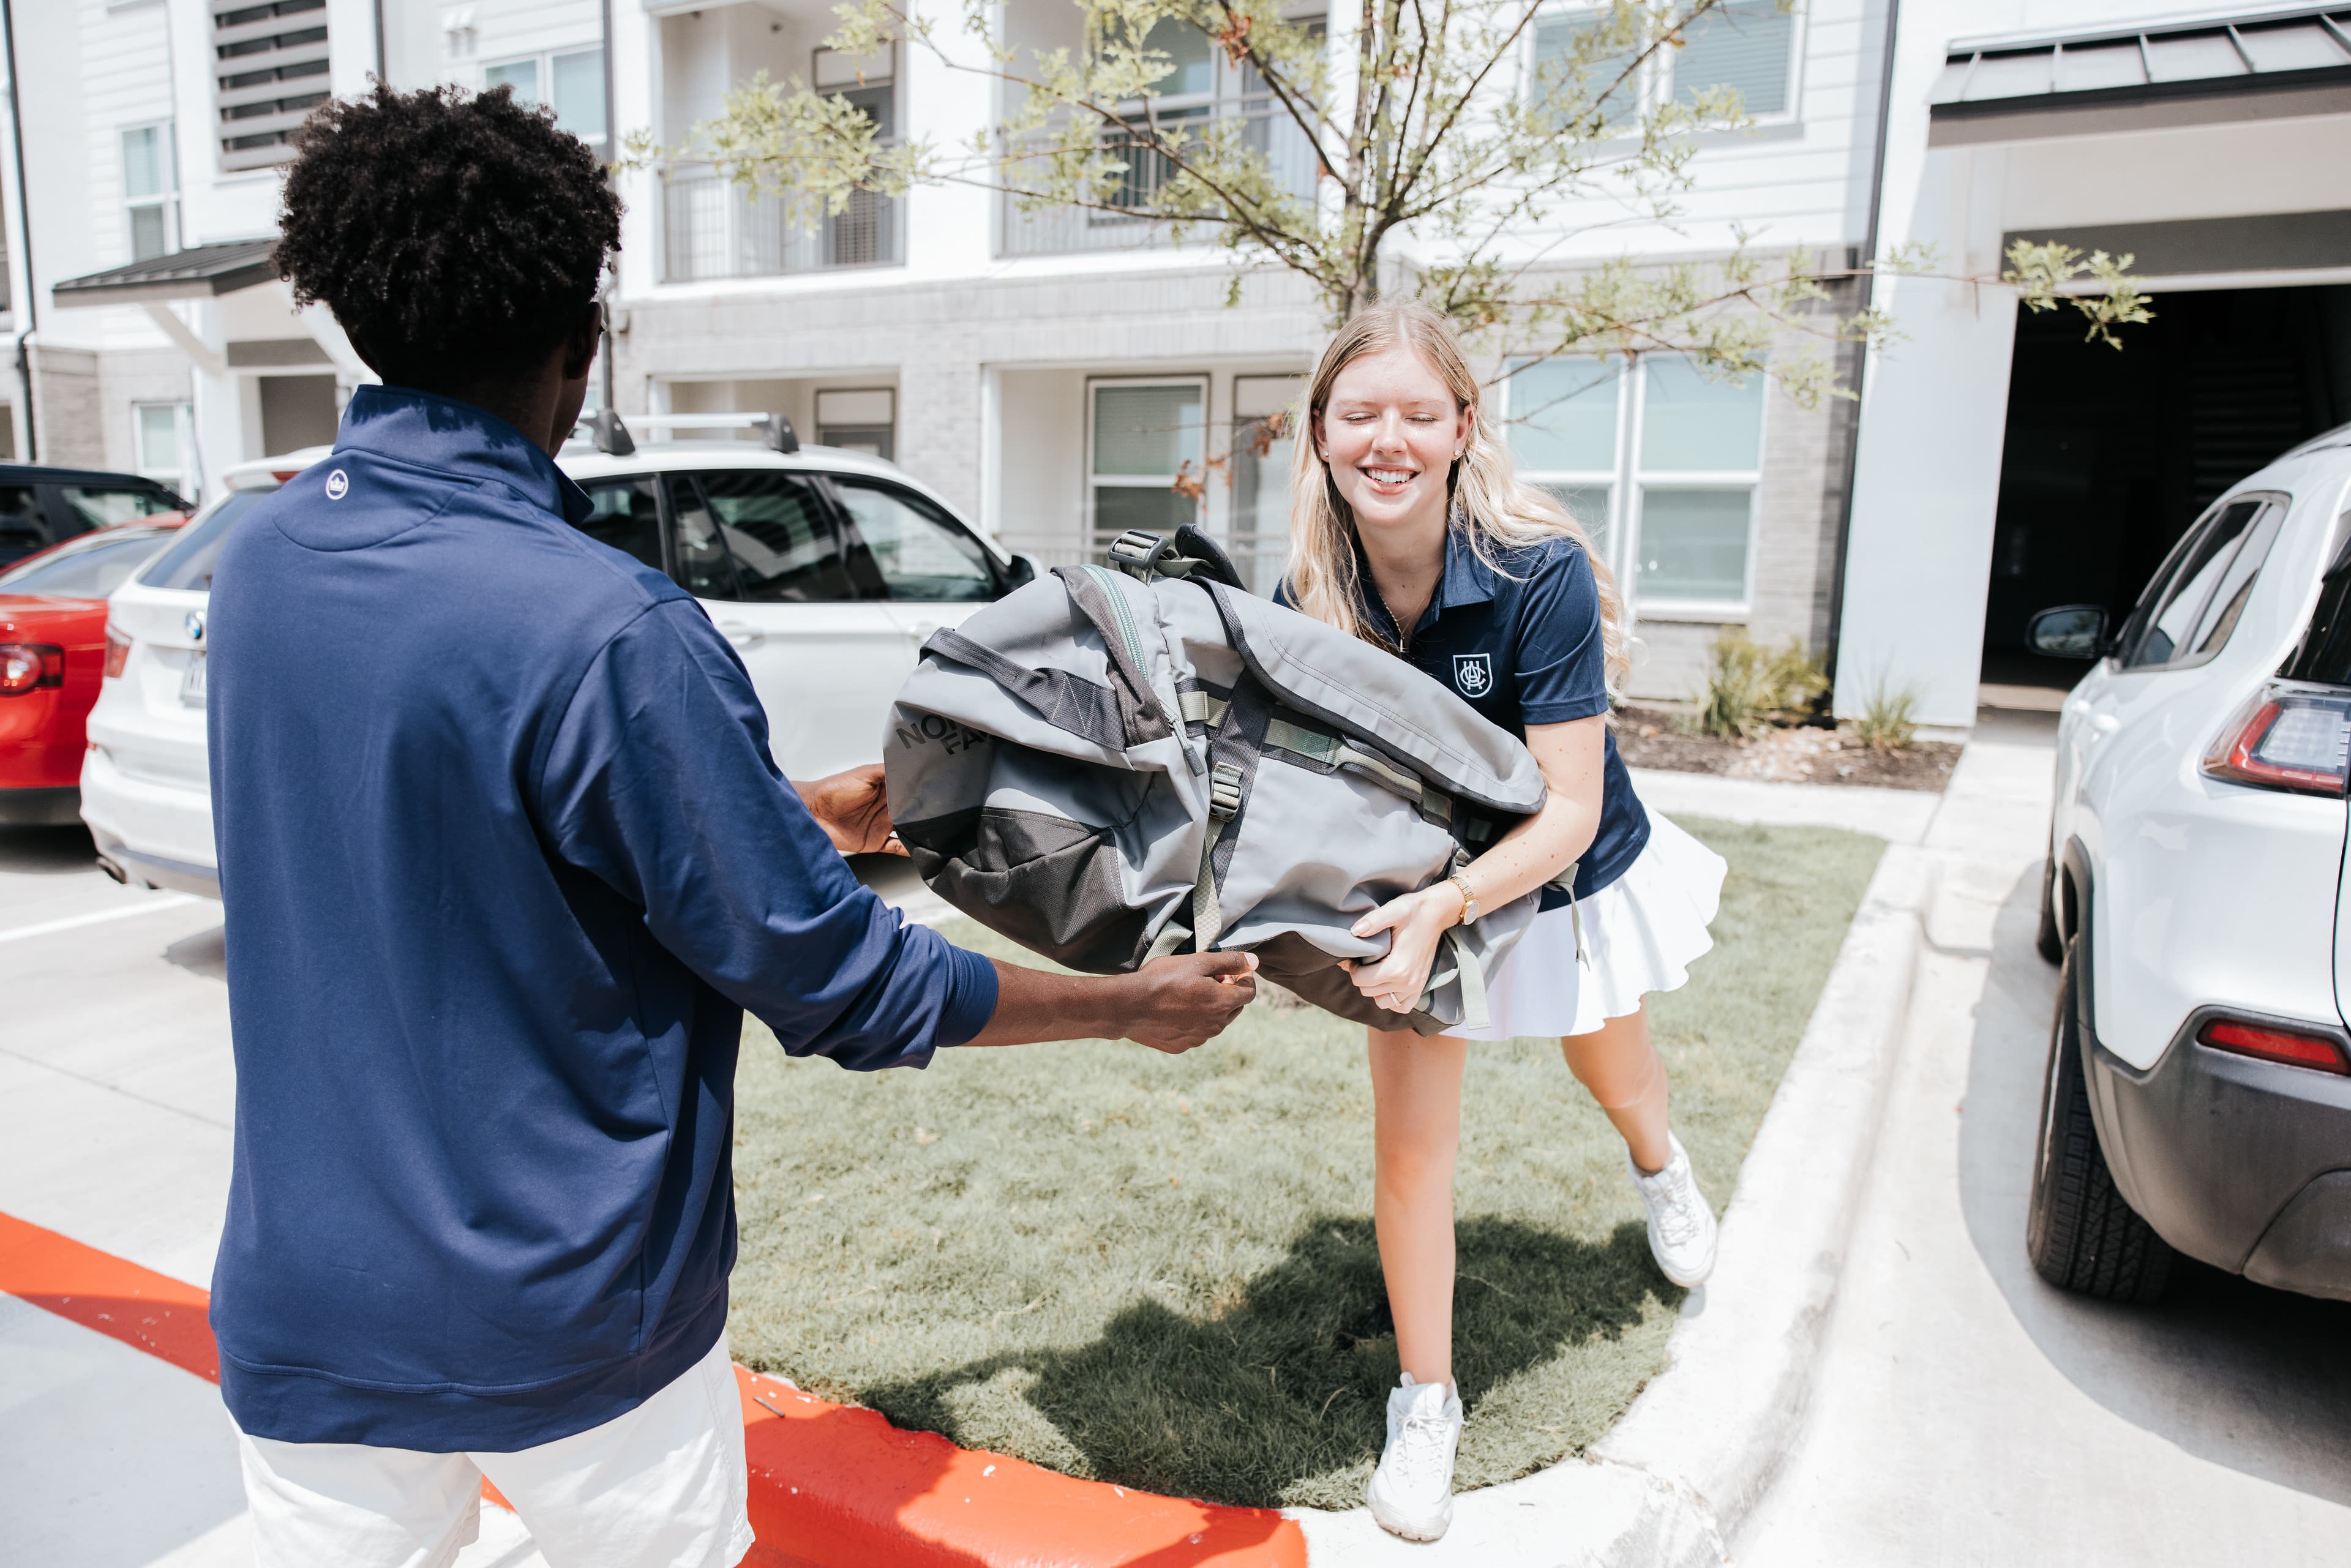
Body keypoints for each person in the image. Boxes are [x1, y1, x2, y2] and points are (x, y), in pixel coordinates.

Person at [207, 84, 1255, 1568]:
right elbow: (837, 983)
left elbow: (455, 842)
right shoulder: (609, 626)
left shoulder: (259, 569)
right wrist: (1124, 1006)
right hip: (569, 1319)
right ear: (581, 348)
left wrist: (772, 817)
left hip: (305, 1301)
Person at [1277, 302, 1727, 1543]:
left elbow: (1567, 809)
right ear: (1320, 433)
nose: (1390, 440)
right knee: (1412, 1151)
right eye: (1361, 414)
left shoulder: (1540, 571)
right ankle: (1427, 1399)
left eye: (1420, 414)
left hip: (1559, 867)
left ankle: (1663, 1170)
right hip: (1416, 886)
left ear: (1463, 426)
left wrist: (1456, 902)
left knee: (1615, 1066)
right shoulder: (1311, 589)